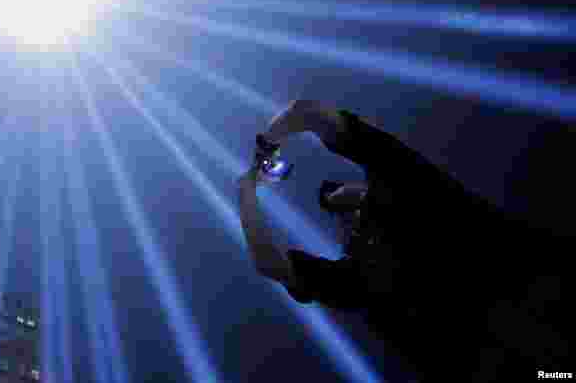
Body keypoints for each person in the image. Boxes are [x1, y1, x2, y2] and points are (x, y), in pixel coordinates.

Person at [236, 100, 573, 381]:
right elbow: (269, 262)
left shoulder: (408, 183)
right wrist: (247, 189)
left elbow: (306, 112)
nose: (339, 208)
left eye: (337, 194)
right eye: (336, 212)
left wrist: (265, 147)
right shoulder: (360, 277)